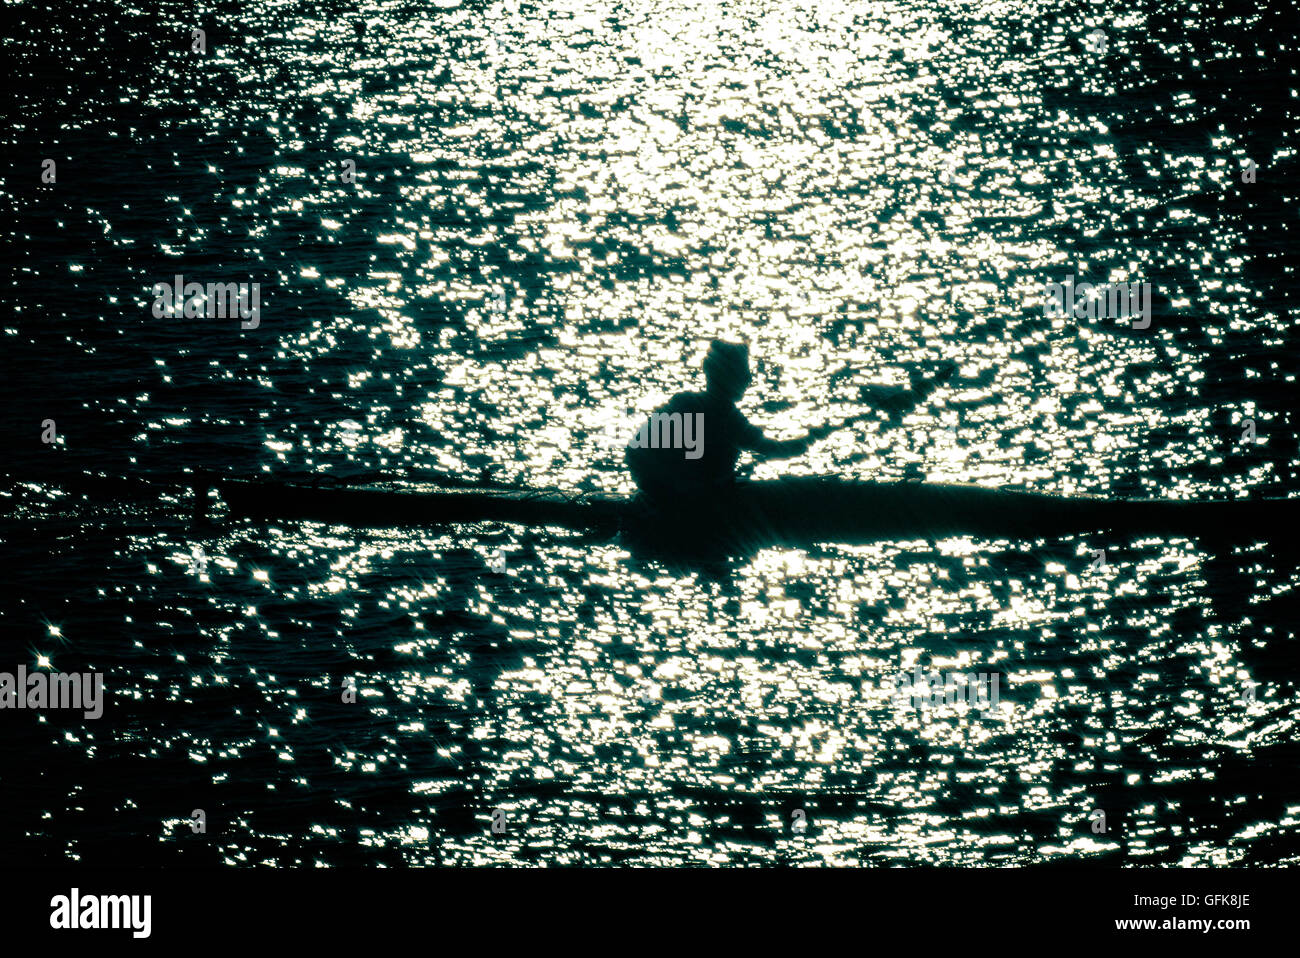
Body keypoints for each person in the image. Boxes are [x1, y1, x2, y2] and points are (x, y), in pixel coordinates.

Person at [625, 340, 829, 503]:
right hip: (690, 502)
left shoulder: (683, 403)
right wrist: (812, 438)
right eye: (744, 373)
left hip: (664, 494)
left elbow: (635, 452)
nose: (749, 380)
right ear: (732, 378)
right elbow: (775, 450)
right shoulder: (726, 418)